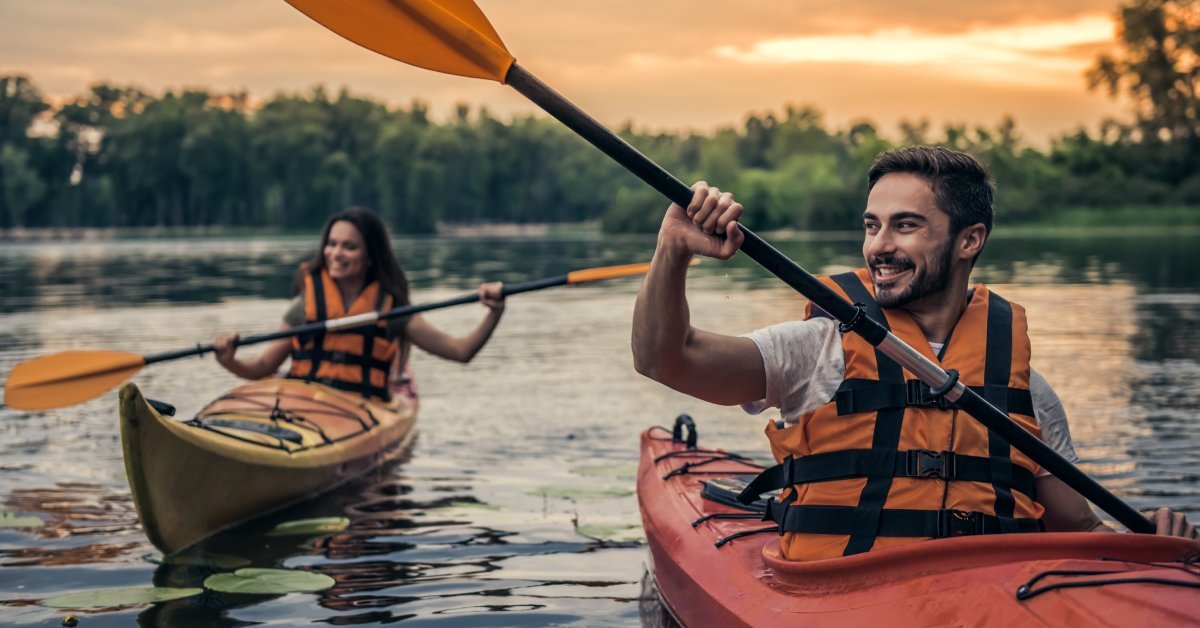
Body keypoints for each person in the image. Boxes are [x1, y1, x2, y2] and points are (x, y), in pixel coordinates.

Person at [631, 146, 1196, 560]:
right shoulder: (817, 350)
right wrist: (673, 250)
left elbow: (1079, 529)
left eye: (905, 226)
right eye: (872, 226)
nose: (880, 246)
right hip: (840, 594)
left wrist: (1154, 547)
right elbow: (665, 358)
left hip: (985, 601)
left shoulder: (1026, 392)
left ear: (968, 240)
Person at [213, 207, 505, 404]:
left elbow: (461, 352)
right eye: (332, 244)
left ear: (370, 256)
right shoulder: (305, 306)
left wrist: (494, 312)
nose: (336, 254)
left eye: (349, 247)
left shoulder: (393, 312)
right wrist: (230, 360)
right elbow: (263, 366)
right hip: (300, 405)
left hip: (360, 410)